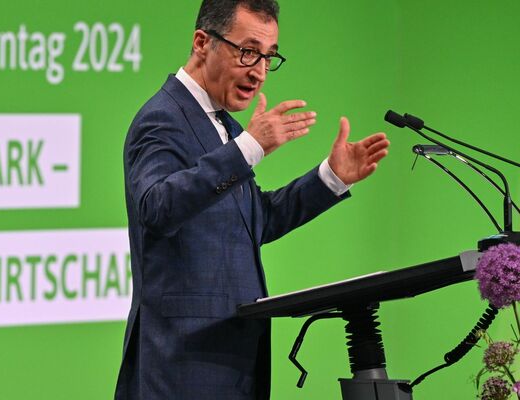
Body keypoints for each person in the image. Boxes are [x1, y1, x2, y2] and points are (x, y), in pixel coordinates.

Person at [114, 0, 390, 399]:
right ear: (201, 42)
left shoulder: (222, 122)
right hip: (185, 364)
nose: (259, 71)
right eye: (248, 51)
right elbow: (156, 208)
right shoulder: (163, 117)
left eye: (268, 57)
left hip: (233, 358)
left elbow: (252, 221)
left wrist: (330, 178)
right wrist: (249, 146)